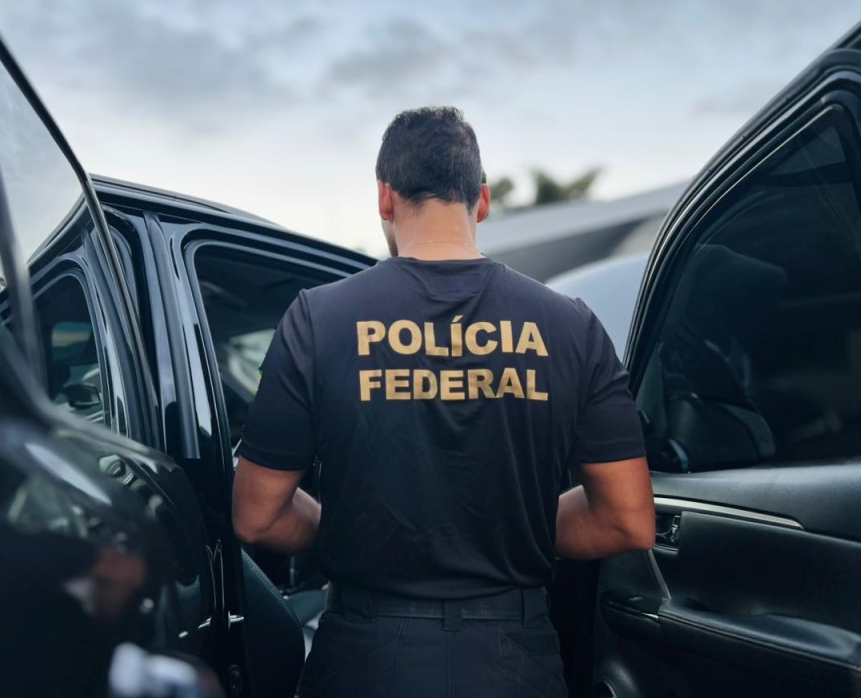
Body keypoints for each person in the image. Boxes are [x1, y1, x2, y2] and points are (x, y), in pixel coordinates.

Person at [232, 107, 654, 697]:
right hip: (513, 662)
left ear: (385, 198)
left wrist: (362, 531)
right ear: (482, 200)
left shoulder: (317, 318)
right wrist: (505, 529)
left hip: (366, 659)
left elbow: (257, 515)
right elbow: (627, 518)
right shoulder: (571, 326)